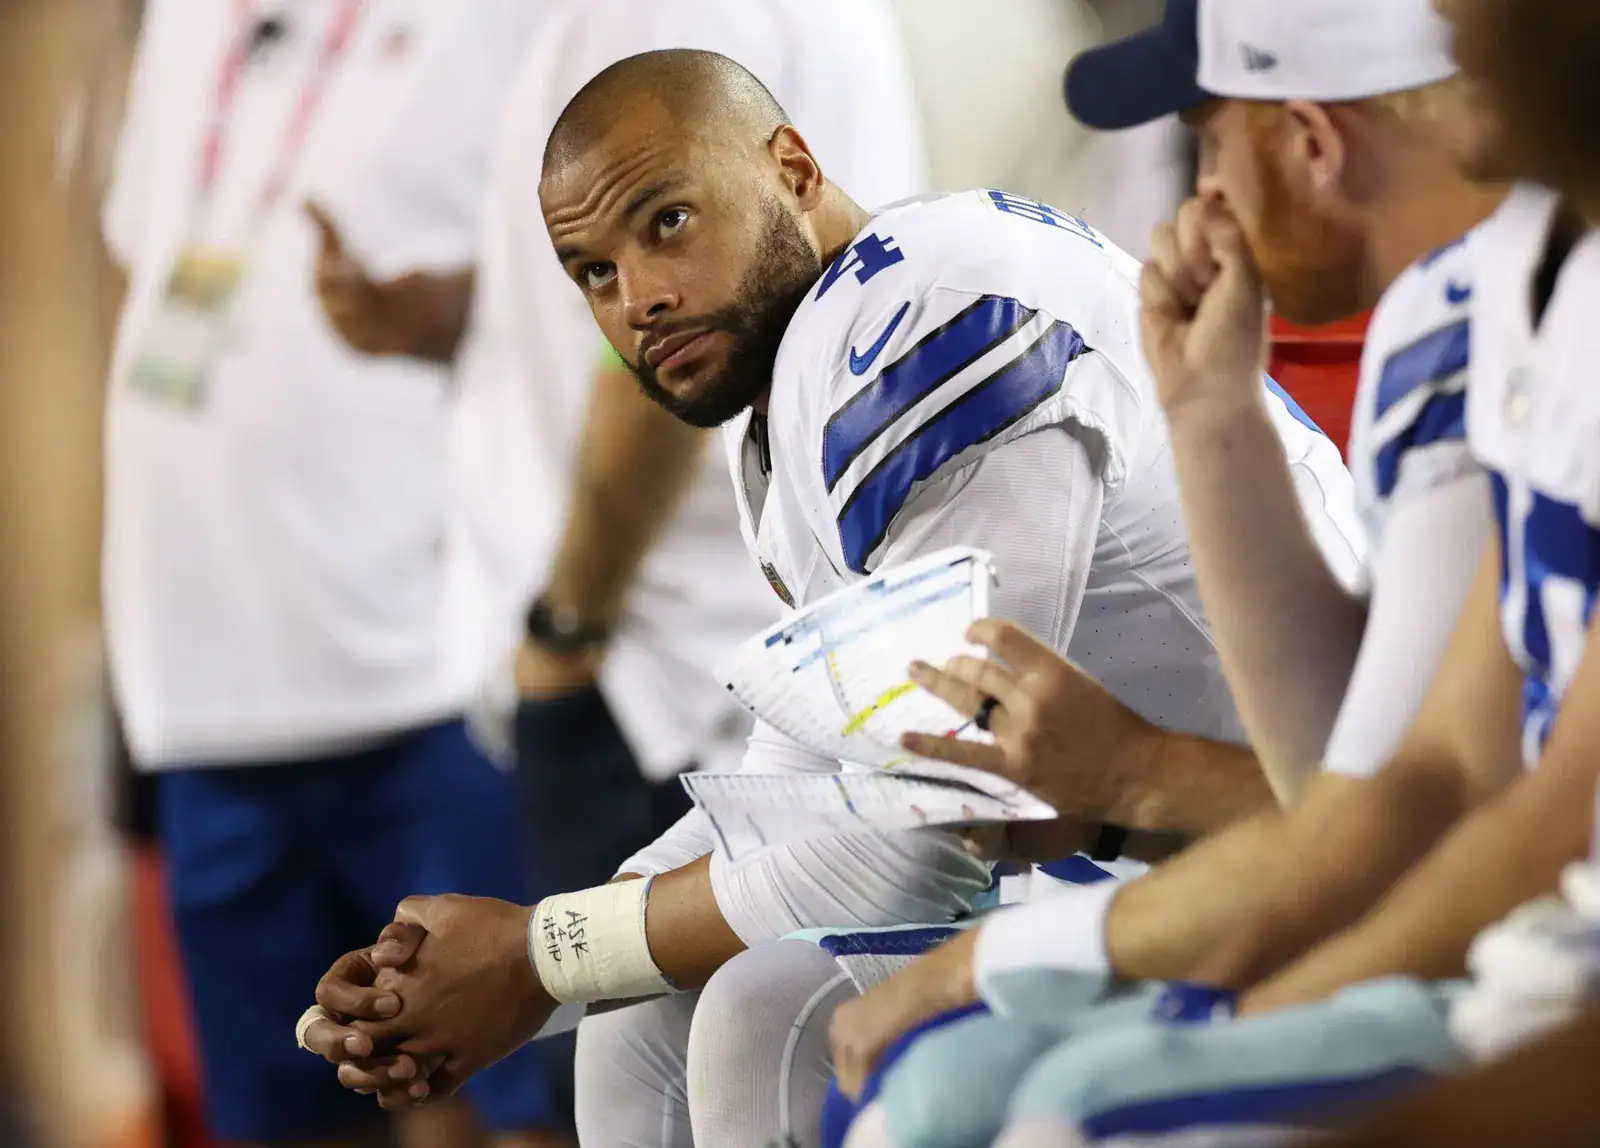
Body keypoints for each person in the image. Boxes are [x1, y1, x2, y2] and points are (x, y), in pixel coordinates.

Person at [295, 47, 1362, 1148]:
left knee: (761, 1012)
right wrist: (516, 969)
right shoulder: (817, 358)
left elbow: (934, 831)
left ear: (793, 167)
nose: (640, 299)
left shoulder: (921, 328)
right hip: (1127, 853)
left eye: (665, 223)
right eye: (593, 274)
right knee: (637, 1021)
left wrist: (539, 953)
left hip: (1296, 845)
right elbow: (794, 788)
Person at [821, 0, 1525, 1142]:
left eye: (1207, 139)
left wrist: (1131, 790)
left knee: (1048, 1109)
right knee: (932, 1082)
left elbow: (1413, 812)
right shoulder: (1439, 314)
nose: (1197, 199)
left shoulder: (1517, 310)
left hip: (1522, 946)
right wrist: (1209, 415)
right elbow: (1348, 767)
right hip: (1477, 913)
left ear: (1311, 139)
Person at [100, 1, 565, 1145]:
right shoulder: (181, 22)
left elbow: (582, 285)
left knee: (517, 1098)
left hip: (431, 674)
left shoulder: (519, 20)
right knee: (280, 1110)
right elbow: (140, 259)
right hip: (202, 683)